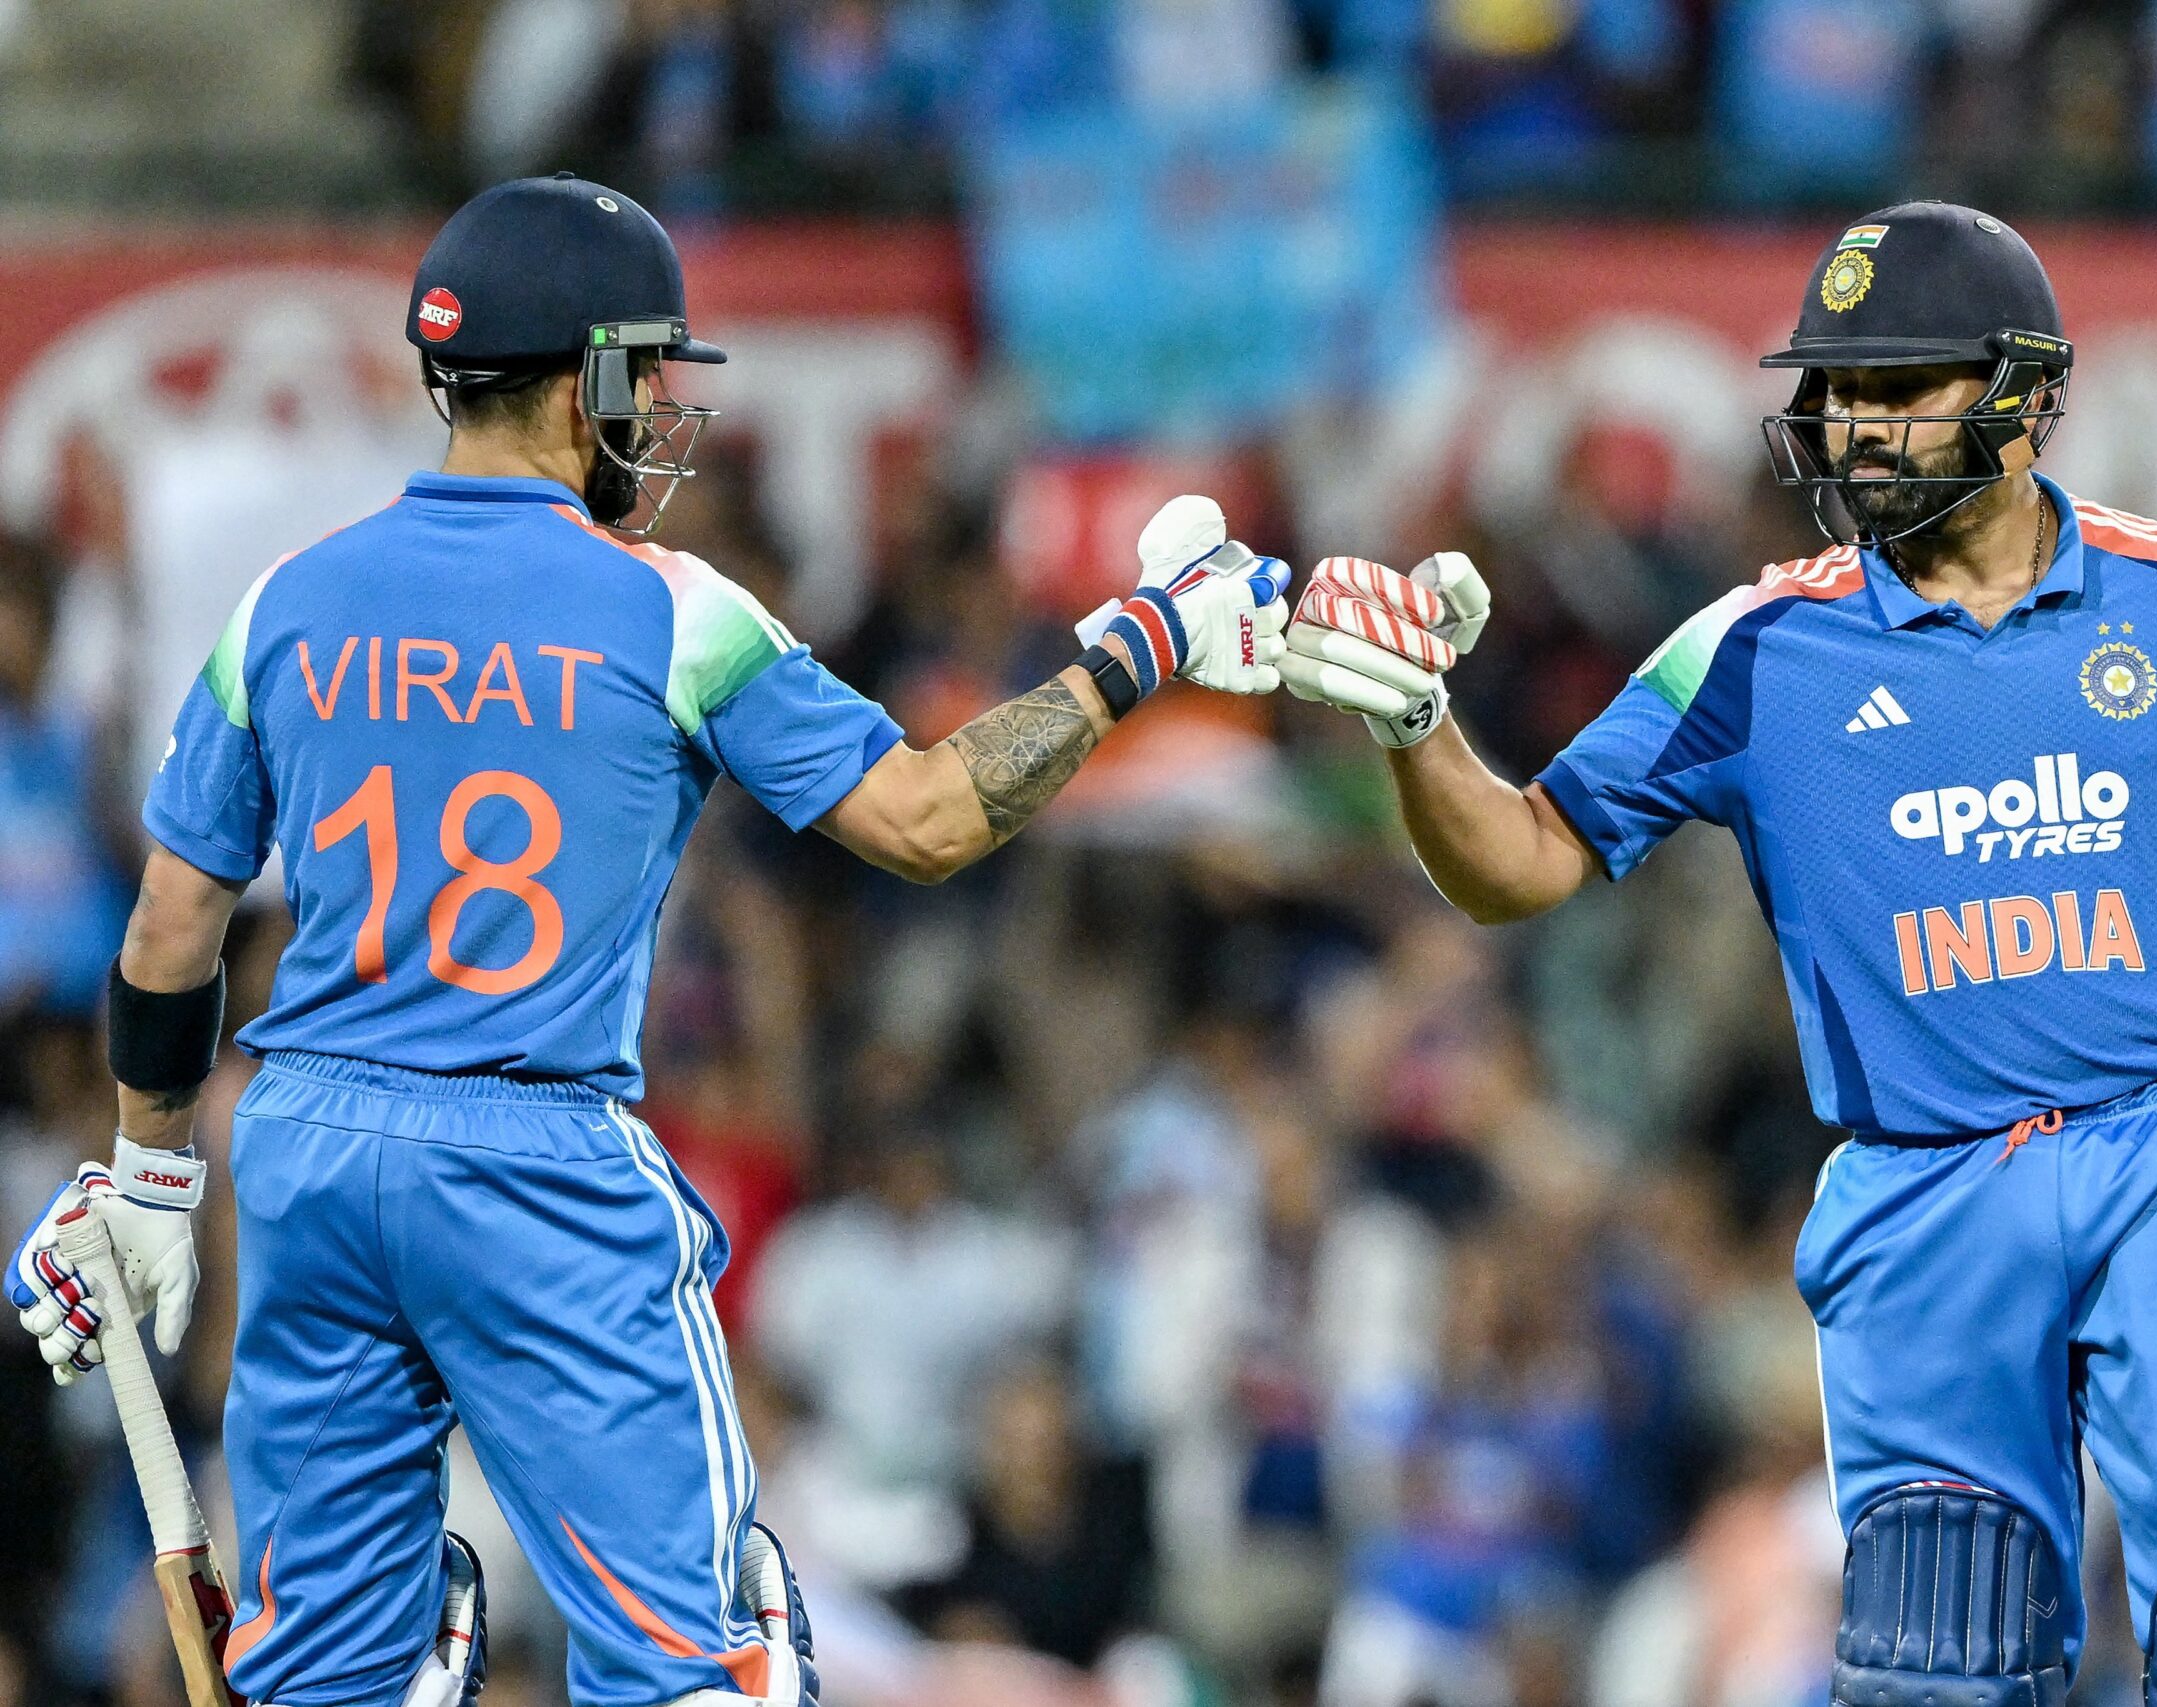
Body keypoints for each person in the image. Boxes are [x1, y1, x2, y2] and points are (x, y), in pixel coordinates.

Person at [7, 172, 1288, 1707]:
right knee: (703, 1661)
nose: (661, 413)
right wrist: (1140, 646)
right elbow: (936, 820)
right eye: (646, 375)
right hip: (538, 1160)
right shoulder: (671, 610)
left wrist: (151, 1172)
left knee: (322, 1683)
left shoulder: (286, 599)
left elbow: (170, 924)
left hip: (307, 1156)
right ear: (583, 379)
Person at [1275, 200, 2157, 1704]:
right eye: (1838, 392)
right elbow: (1520, 862)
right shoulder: (1748, 651)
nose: (1854, 429)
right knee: (1946, 1651)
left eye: (1896, 388)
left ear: (2024, 392)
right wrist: (1418, 727)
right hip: (1923, 1185)